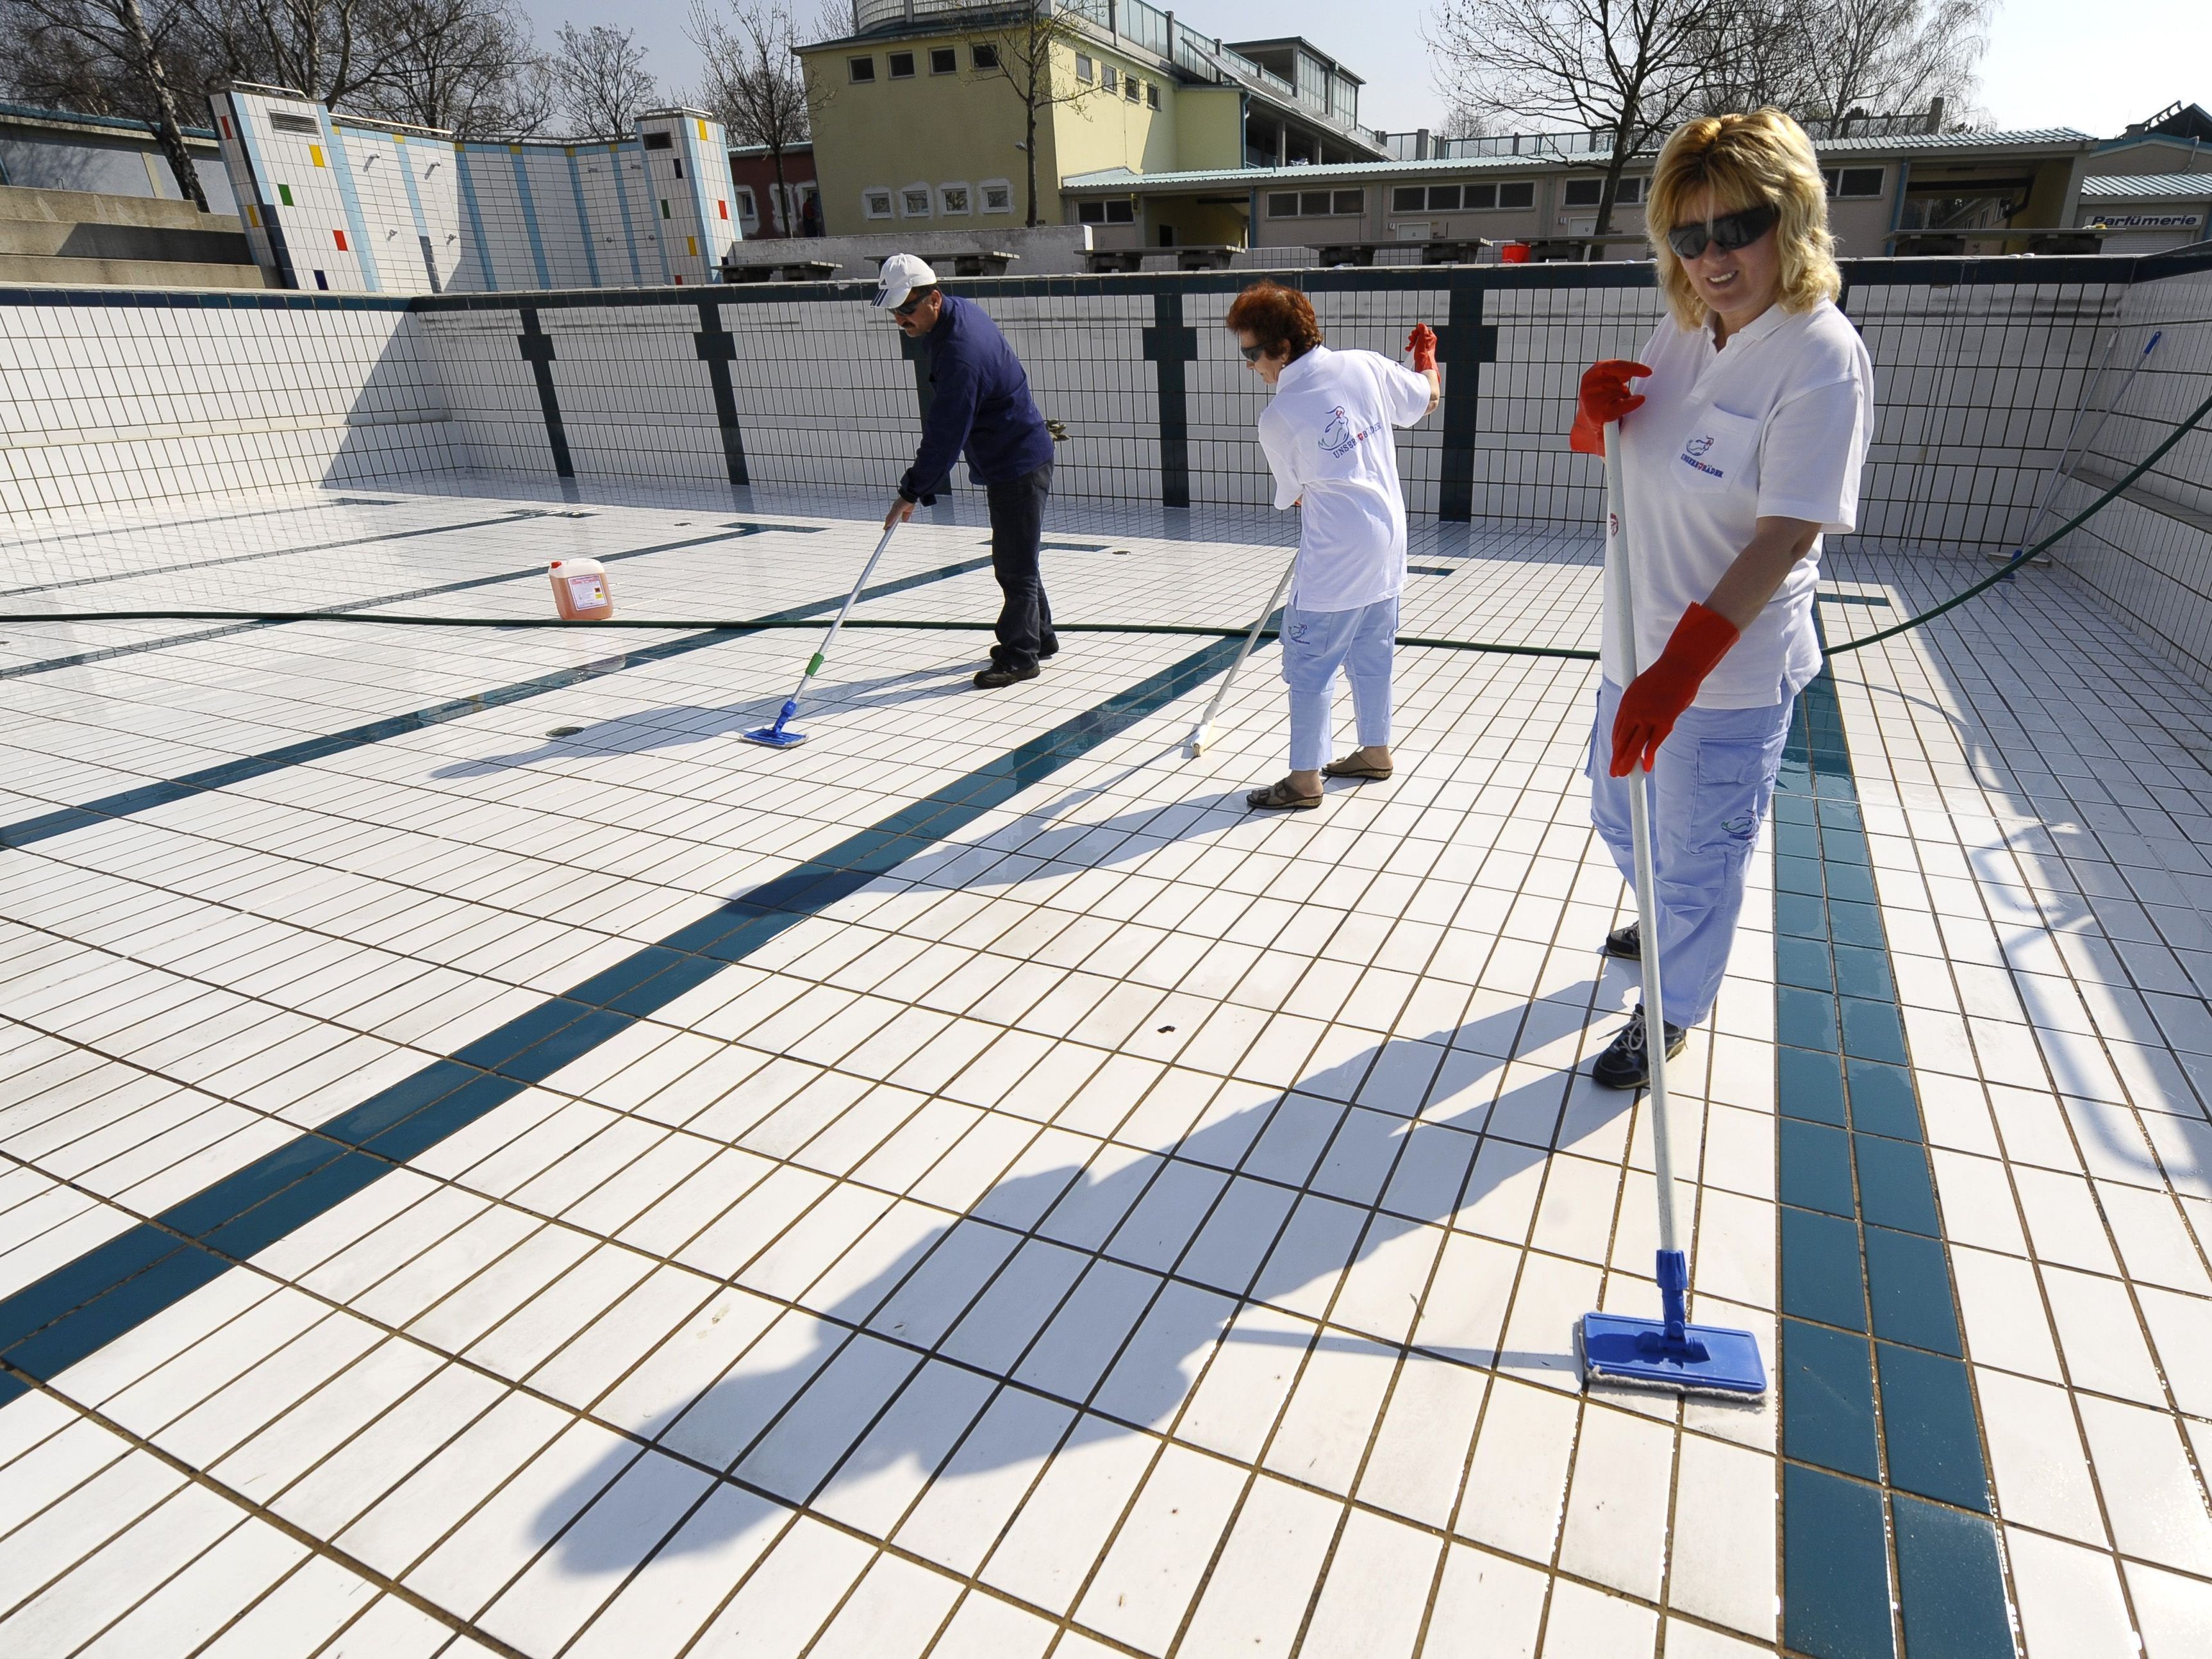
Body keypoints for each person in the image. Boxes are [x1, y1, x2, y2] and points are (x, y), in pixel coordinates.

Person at [1576, 108, 1874, 1088]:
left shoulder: (1817, 355)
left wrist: (1674, 677)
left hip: (1720, 674)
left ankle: (1668, 1009)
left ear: (1790, 219)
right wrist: (1593, 421)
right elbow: (1634, 460)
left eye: (1733, 228)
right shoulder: (1684, 328)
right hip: (1634, 647)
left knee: (1698, 859)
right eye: (1686, 235)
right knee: (1618, 821)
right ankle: (1663, 917)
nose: (1710, 257)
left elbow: (1782, 536)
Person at [1229, 281, 1440, 811]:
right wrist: (1427, 358)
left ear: (1281, 347)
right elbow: (1428, 397)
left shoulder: (1278, 416)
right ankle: (1374, 751)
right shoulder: (1363, 365)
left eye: (1252, 353)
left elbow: (1293, 496)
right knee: (1372, 654)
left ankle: (1303, 782)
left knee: (1308, 666)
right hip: (1388, 542)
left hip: (1336, 560)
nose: (1251, 365)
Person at [879, 253, 1060, 689]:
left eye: (906, 310)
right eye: (893, 311)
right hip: (1014, 452)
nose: (900, 320)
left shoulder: (961, 354)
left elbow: (945, 434)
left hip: (1015, 462)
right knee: (1020, 555)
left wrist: (910, 492)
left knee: (1012, 566)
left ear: (934, 299)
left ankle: (1021, 657)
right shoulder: (958, 313)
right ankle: (1041, 637)